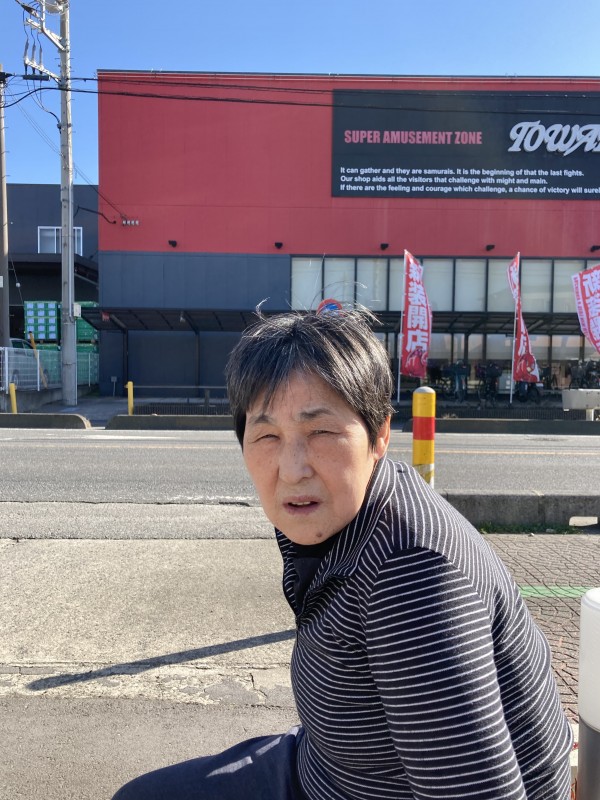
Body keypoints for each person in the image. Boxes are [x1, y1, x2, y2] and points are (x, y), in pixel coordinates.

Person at [113, 309, 573, 800]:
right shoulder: (356, 508)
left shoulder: (412, 576)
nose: (292, 469)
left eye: (321, 432)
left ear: (379, 435)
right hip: (328, 766)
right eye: (267, 435)